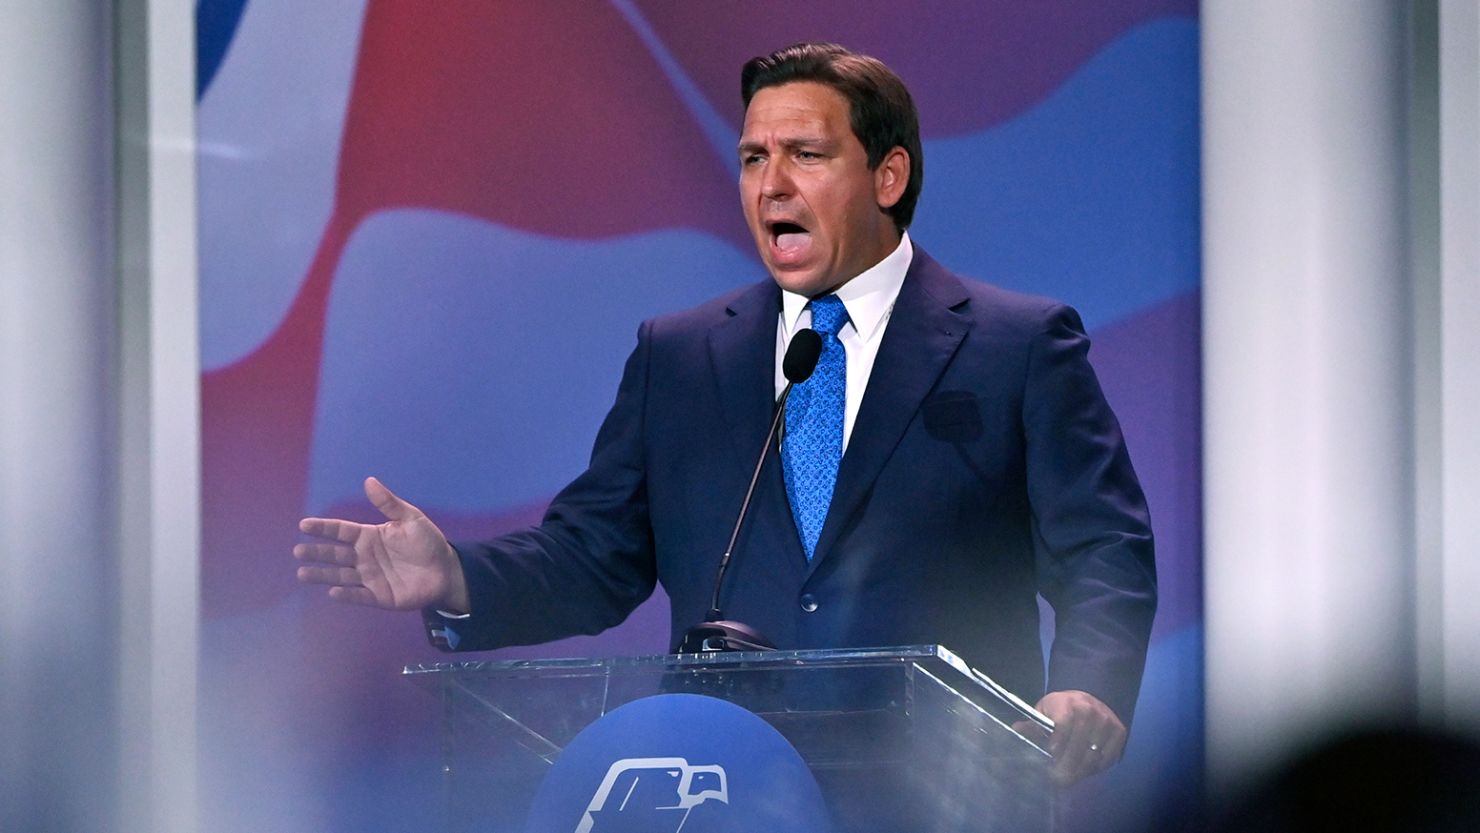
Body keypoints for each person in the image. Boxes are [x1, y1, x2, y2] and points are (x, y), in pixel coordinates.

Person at [294, 42, 1156, 785]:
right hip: (730, 794)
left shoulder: (1018, 345)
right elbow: (595, 555)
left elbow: (1103, 549)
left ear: (888, 174)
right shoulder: (682, 355)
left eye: (806, 155)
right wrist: (459, 578)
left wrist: (1088, 686)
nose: (771, 183)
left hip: (946, 794)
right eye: (752, 157)